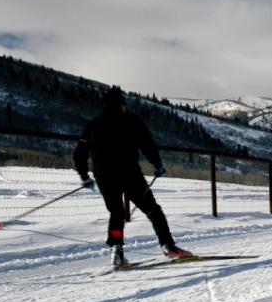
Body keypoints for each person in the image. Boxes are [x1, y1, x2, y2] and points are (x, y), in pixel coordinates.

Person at [74, 88, 192, 266]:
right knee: (152, 209)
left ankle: (116, 252)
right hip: (128, 172)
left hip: (103, 175)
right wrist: (157, 165)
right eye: (124, 104)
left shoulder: (93, 125)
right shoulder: (132, 120)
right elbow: (147, 144)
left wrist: (85, 176)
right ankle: (168, 246)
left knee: (116, 213)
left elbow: (79, 154)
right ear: (121, 105)